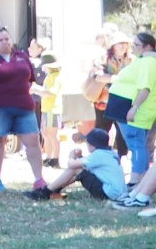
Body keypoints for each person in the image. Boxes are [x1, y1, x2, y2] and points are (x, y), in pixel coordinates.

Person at [0, 26, 48, 193]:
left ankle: (39, 179)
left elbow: (31, 79)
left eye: (7, 39)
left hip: (24, 106)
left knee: (33, 141)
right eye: (0, 40)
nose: (5, 42)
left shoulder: (22, 56)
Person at [29, 128, 133, 206]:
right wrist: (80, 157)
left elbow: (72, 165)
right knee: (79, 171)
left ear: (92, 145)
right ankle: (54, 190)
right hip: (117, 192)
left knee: (76, 170)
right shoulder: (110, 153)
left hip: (109, 193)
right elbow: (89, 166)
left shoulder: (98, 155)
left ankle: (45, 192)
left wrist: (71, 156)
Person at [105, 32, 156, 184]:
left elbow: (145, 88)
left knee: (136, 145)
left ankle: (136, 180)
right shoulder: (143, 60)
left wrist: (134, 108)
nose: (133, 48)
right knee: (137, 144)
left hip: (131, 108)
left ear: (148, 47)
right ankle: (142, 180)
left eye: (137, 45)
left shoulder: (149, 62)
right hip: (125, 106)